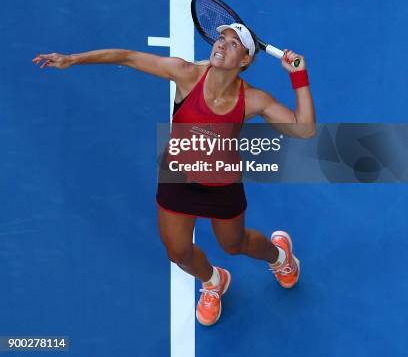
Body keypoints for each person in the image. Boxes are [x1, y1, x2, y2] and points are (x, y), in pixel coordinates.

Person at [32, 23, 316, 326]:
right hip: (178, 179)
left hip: (221, 185)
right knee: (178, 252)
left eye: (234, 44)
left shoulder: (254, 99)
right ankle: (213, 281)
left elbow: (305, 128)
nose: (221, 45)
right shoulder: (186, 74)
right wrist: (72, 59)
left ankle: (281, 258)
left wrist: (298, 75)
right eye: (221, 38)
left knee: (235, 244)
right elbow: (127, 57)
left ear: (245, 60)